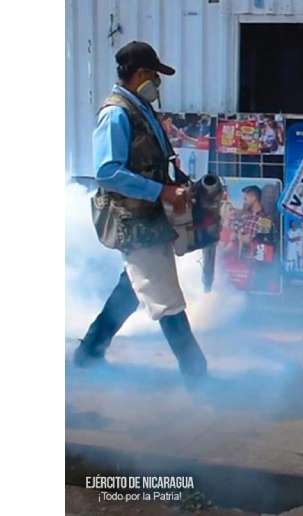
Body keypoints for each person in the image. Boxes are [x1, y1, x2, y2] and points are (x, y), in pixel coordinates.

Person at [73, 41, 207, 384]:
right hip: (133, 221)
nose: (158, 83)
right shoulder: (116, 113)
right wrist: (161, 191)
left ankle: (89, 353)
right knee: (165, 298)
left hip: (148, 216)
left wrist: (175, 184)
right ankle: (198, 379)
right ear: (141, 73)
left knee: (132, 288)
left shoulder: (139, 107)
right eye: (155, 75)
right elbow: (108, 172)